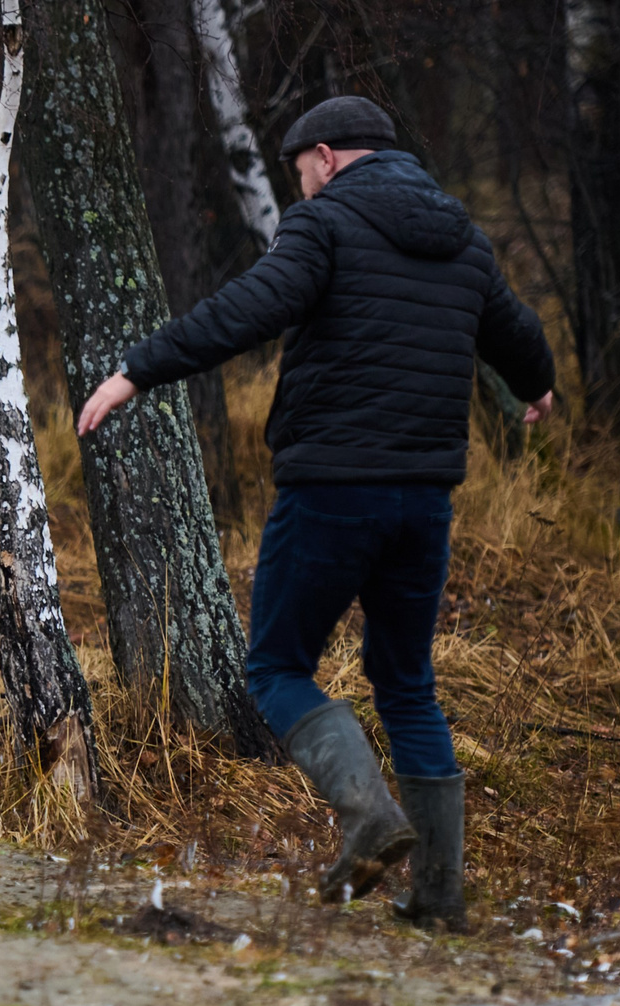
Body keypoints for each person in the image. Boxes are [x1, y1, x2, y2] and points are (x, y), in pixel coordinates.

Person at [77, 95, 556, 931]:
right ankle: (440, 897)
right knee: (408, 683)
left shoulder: (327, 223)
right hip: (425, 501)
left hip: (333, 488)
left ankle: (367, 812)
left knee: (276, 667)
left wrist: (136, 372)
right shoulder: (462, 238)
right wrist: (538, 382)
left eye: (301, 177)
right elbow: (517, 334)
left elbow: (247, 309)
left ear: (326, 158)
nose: (302, 192)